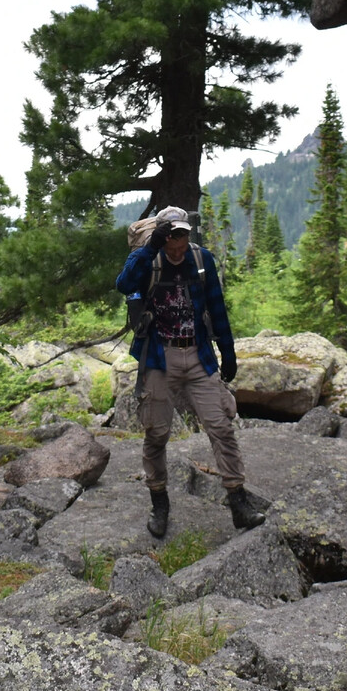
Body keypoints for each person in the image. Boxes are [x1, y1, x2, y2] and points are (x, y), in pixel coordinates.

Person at [116, 205, 266, 538]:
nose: (180, 241)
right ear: (162, 235)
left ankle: (238, 501)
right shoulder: (147, 258)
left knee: (221, 427)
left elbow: (217, 307)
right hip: (159, 357)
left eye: (184, 233)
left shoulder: (201, 260)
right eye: (173, 235)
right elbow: (124, 284)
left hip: (197, 355)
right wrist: (152, 246)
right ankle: (160, 502)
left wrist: (228, 354)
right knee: (156, 433)